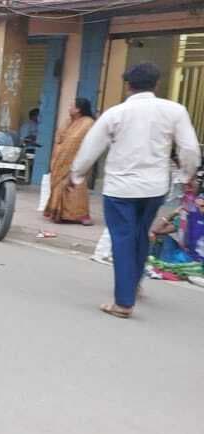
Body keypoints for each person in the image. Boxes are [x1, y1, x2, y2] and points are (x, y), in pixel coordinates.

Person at [71, 62, 200, 319]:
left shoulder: (116, 113)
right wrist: (188, 175)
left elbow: (91, 147)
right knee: (141, 236)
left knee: (122, 240)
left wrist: (76, 174)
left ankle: (124, 302)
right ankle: (135, 285)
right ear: (157, 84)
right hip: (154, 187)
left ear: (128, 85)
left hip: (121, 187)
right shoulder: (175, 110)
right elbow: (189, 148)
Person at [44, 98, 96, 225]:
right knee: (59, 185)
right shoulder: (68, 121)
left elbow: (77, 141)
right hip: (61, 159)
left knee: (76, 186)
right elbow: (60, 137)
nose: (69, 108)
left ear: (78, 109)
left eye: (71, 106)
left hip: (77, 161)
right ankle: (59, 212)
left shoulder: (88, 123)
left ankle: (80, 215)